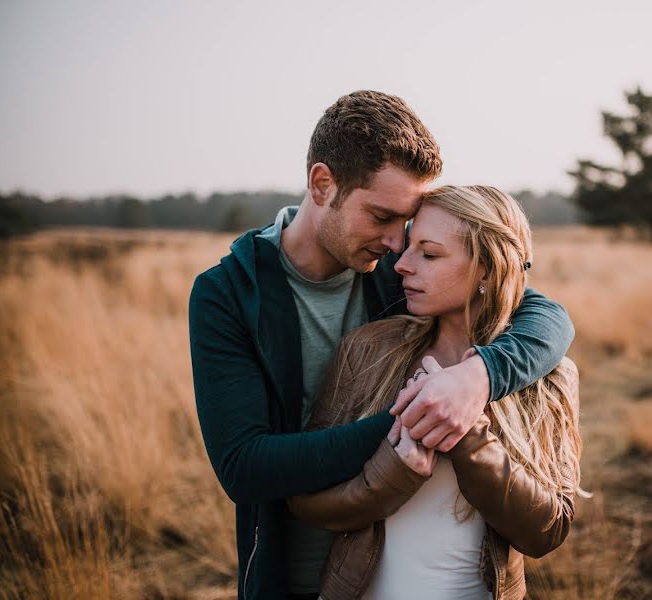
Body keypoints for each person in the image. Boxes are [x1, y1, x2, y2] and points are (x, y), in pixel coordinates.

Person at [188, 92, 575, 599]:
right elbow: (244, 467)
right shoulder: (230, 293)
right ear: (323, 185)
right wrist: (417, 418)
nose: (397, 244)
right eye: (382, 217)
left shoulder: (397, 270)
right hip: (294, 573)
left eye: (408, 226)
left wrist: (476, 377)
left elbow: (541, 312)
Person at [288, 185, 582, 600]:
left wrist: (468, 436)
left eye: (428, 253)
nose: (401, 266)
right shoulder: (368, 350)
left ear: (486, 269)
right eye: (408, 247)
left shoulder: (547, 375)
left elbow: (547, 532)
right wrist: (394, 472)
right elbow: (304, 499)